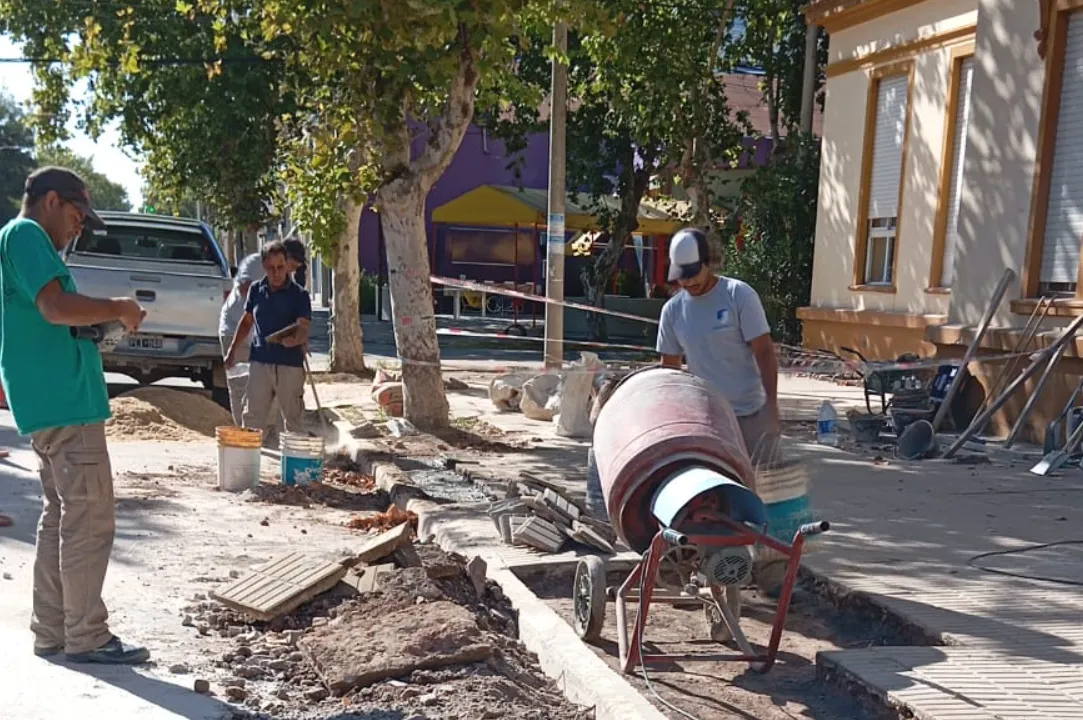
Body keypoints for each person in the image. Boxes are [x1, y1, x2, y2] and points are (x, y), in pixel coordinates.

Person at [0, 166, 149, 663]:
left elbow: (54, 315)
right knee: (88, 517)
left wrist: (99, 321)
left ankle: (53, 630)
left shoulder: (21, 241)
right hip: (64, 401)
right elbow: (55, 308)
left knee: (61, 515)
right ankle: (87, 636)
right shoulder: (25, 234)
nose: (79, 227)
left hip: (52, 399)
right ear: (48, 201)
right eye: (76, 214)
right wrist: (119, 307)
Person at [656, 227, 781, 470]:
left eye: (693, 273)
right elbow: (669, 371)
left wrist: (772, 406)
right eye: (682, 276)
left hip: (751, 416)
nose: (688, 281)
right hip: (706, 420)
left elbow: (764, 351)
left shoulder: (738, 295)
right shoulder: (672, 311)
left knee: (768, 490)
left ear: (708, 262)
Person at [226, 241, 312, 437]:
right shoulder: (256, 290)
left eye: (280, 267)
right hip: (260, 362)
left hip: (289, 365)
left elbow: (304, 325)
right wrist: (232, 350)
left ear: (287, 265)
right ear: (264, 266)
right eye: (271, 268)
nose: (276, 273)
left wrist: (296, 339)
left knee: (293, 420)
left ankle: (295, 461)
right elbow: (247, 321)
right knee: (252, 418)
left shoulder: (299, 295)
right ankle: (247, 462)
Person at [219, 252, 264, 426]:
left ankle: (258, 430)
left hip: (254, 334)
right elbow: (245, 290)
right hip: (234, 331)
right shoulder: (256, 264)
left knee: (260, 386)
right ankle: (243, 432)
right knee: (240, 385)